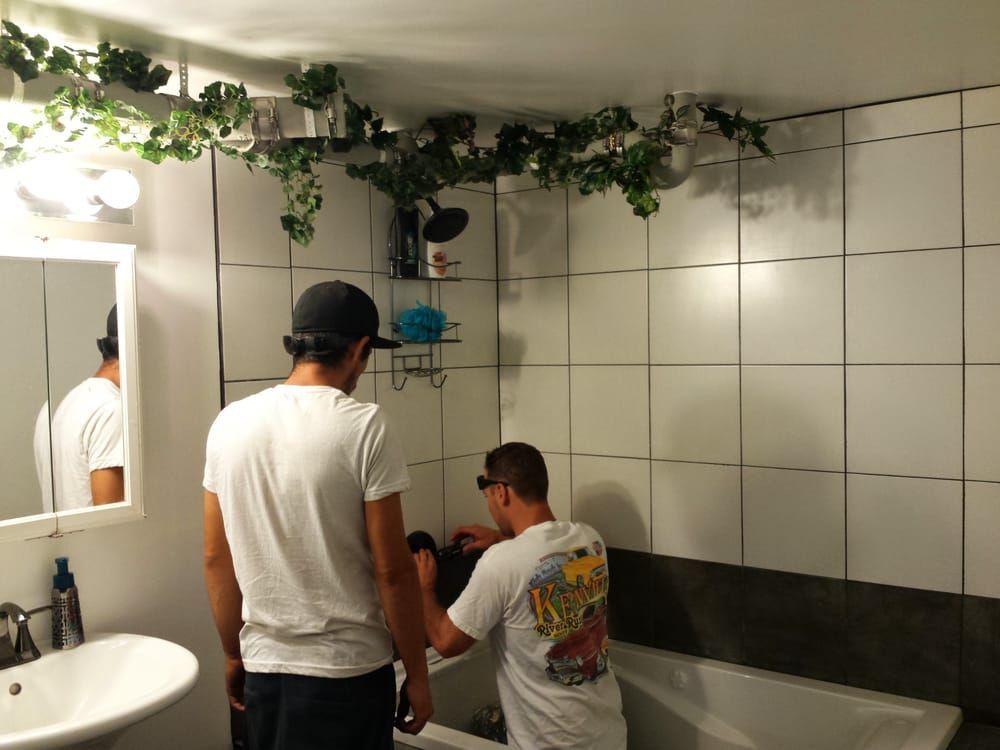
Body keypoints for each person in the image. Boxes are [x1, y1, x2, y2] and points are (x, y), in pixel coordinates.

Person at [203, 280, 432, 750]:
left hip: (266, 670)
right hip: (348, 675)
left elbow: (215, 557)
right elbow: (392, 570)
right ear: (360, 349)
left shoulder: (229, 423)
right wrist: (417, 672)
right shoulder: (365, 426)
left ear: (296, 346)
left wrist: (232, 654)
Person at [414, 442, 627, 750]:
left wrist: (422, 588)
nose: (490, 506)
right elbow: (541, 555)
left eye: (487, 496)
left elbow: (445, 642)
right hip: (609, 736)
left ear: (501, 492)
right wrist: (500, 538)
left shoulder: (501, 563)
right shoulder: (590, 540)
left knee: (482, 719)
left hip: (551, 745)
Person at [33, 304, 124, 511]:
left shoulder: (63, 404)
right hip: (98, 535)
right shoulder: (112, 411)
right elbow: (111, 519)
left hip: (68, 534)